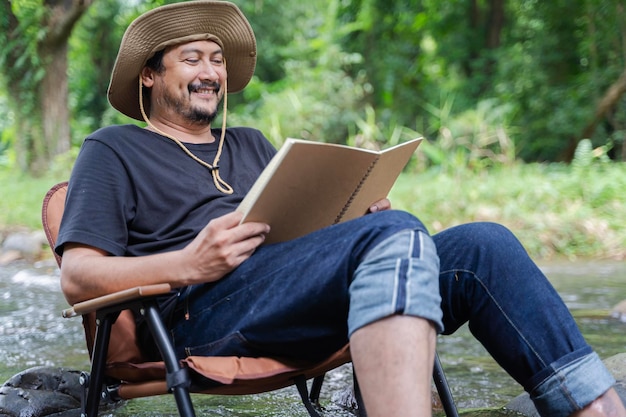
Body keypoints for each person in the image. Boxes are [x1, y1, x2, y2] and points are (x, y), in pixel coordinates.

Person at [56, 1, 625, 416]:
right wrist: (187, 264)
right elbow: (79, 276)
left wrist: (356, 221)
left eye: (217, 59)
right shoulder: (113, 150)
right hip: (202, 315)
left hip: (294, 293)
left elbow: (303, 237)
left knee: (484, 245)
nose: (211, 72)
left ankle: (593, 409)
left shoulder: (251, 142)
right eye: (191, 59)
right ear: (150, 75)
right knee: (398, 234)